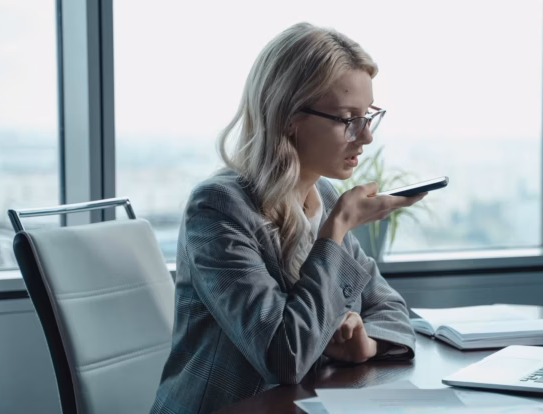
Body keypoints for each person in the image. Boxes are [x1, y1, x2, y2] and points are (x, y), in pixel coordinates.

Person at [151, 22, 426, 413]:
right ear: (289, 117)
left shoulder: (323, 196)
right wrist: (335, 231)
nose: (366, 137)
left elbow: (389, 309)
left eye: (368, 116)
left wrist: (367, 344)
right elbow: (285, 358)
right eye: (349, 119)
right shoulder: (217, 209)